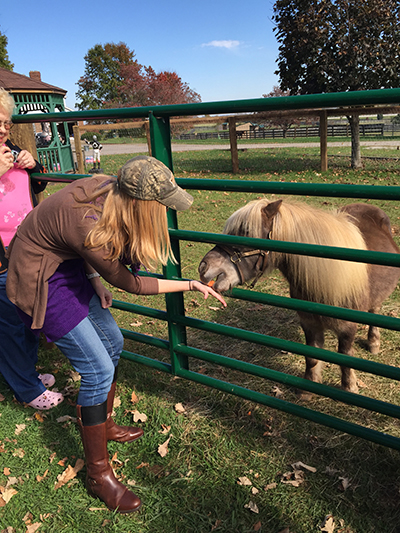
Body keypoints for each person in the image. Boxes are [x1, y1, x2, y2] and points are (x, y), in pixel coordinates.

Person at [6, 155, 227, 513]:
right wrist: (189, 284)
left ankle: (103, 423)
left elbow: (79, 243)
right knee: (97, 370)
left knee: (113, 342)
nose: (166, 212)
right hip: (40, 278)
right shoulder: (89, 220)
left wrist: (93, 277)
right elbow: (132, 283)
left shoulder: (111, 191)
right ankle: (98, 474)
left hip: (68, 263)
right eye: (161, 206)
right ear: (141, 205)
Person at [0, 87, 63, 410]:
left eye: (7, 123)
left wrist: (33, 164)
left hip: (26, 251)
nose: (2, 129)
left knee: (27, 316)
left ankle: (29, 373)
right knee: (9, 324)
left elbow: (37, 184)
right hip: (1, 262)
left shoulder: (10, 148)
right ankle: (26, 388)